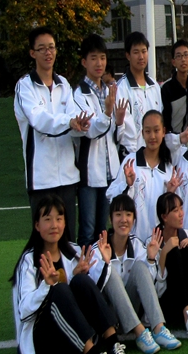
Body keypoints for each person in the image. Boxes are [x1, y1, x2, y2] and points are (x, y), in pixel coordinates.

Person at [9, 195, 125, 354]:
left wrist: (97, 265)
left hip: (70, 339)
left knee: (80, 281)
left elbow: (93, 294)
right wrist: (46, 286)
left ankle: (113, 344)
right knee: (59, 289)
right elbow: (24, 311)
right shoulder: (29, 261)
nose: (54, 225)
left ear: (65, 223)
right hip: (42, 345)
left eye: (59, 218)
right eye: (48, 219)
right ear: (37, 225)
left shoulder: (74, 251)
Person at [15, 27, 91, 240]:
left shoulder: (63, 84)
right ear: (32, 53)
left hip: (67, 176)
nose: (48, 53)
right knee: (44, 241)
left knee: (68, 239)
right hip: (41, 179)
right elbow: (39, 120)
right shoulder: (25, 86)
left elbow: (74, 118)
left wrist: (81, 124)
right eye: (42, 49)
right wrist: (69, 122)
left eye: (51, 47)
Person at [88, 194, 181, 351]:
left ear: (134, 219)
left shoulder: (137, 245)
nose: (124, 220)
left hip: (132, 309)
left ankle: (158, 328)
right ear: (110, 219)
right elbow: (94, 292)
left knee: (140, 266)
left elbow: (154, 289)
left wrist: (151, 259)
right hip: (108, 317)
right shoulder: (98, 248)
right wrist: (105, 263)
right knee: (110, 271)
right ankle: (140, 333)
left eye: (128, 215)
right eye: (118, 215)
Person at [73, 33, 129, 246]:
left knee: (104, 231)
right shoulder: (79, 94)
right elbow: (90, 130)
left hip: (110, 173)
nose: (99, 63)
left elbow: (117, 137)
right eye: (94, 58)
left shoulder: (109, 91)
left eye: (103, 58)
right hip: (90, 173)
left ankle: (103, 266)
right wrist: (107, 113)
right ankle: (85, 267)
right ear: (84, 62)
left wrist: (120, 122)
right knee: (88, 230)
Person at [107, 110, 185, 240]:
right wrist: (127, 185)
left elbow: (175, 211)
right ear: (142, 133)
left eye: (156, 130)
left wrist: (170, 194)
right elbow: (112, 197)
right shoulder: (131, 162)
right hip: (132, 239)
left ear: (163, 131)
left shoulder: (169, 170)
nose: (152, 136)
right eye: (148, 131)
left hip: (158, 240)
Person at [150, 192, 188, 336]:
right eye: (175, 210)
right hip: (168, 300)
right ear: (164, 217)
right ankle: (187, 316)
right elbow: (156, 288)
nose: (181, 214)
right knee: (173, 252)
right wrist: (164, 252)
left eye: (181, 209)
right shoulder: (153, 241)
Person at [116, 31, 162, 151]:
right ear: (128, 55)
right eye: (136, 52)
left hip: (154, 153)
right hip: (133, 154)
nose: (141, 57)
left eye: (144, 51)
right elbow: (124, 130)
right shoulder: (121, 88)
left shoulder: (154, 86)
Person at [161, 40, 188, 134]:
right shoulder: (166, 89)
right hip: (172, 138)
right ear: (173, 62)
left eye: (186, 55)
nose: (183, 59)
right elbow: (165, 122)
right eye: (179, 56)